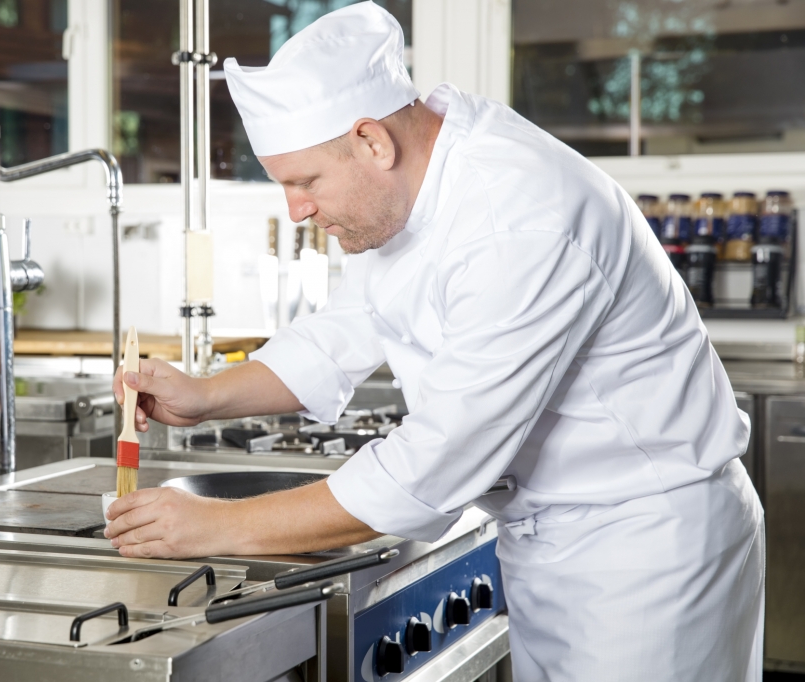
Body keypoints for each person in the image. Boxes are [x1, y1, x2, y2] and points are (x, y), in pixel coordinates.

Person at [104, 3, 764, 680]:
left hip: (646, 554)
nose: (295, 210)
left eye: (303, 182)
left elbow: (434, 464)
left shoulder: (521, 217)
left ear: (371, 141)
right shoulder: (413, 188)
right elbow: (346, 328)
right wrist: (204, 397)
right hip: (553, 545)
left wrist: (210, 527)